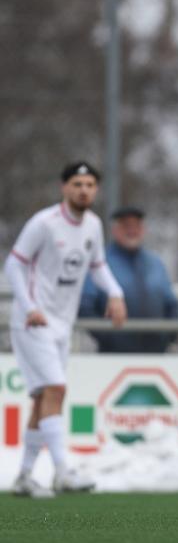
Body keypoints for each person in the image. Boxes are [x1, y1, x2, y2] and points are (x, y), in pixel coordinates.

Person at [4, 161, 127, 498]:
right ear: (64, 188)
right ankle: (62, 472)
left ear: (96, 190)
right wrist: (30, 307)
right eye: (77, 184)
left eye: (89, 185)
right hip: (33, 321)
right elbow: (14, 264)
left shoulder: (93, 225)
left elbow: (98, 266)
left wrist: (115, 293)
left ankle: (24, 476)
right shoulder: (44, 223)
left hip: (62, 324)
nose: (83, 190)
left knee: (43, 398)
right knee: (56, 389)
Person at [79, 206, 178, 353]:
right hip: (113, 356)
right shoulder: (100, 263)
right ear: (115, 230)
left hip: (156, 354)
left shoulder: (155, 262)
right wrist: (108, 337)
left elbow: (172, 305)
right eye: (126, 226)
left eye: (137, 226)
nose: (132, 231)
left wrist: (168, 336)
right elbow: (85, 306)